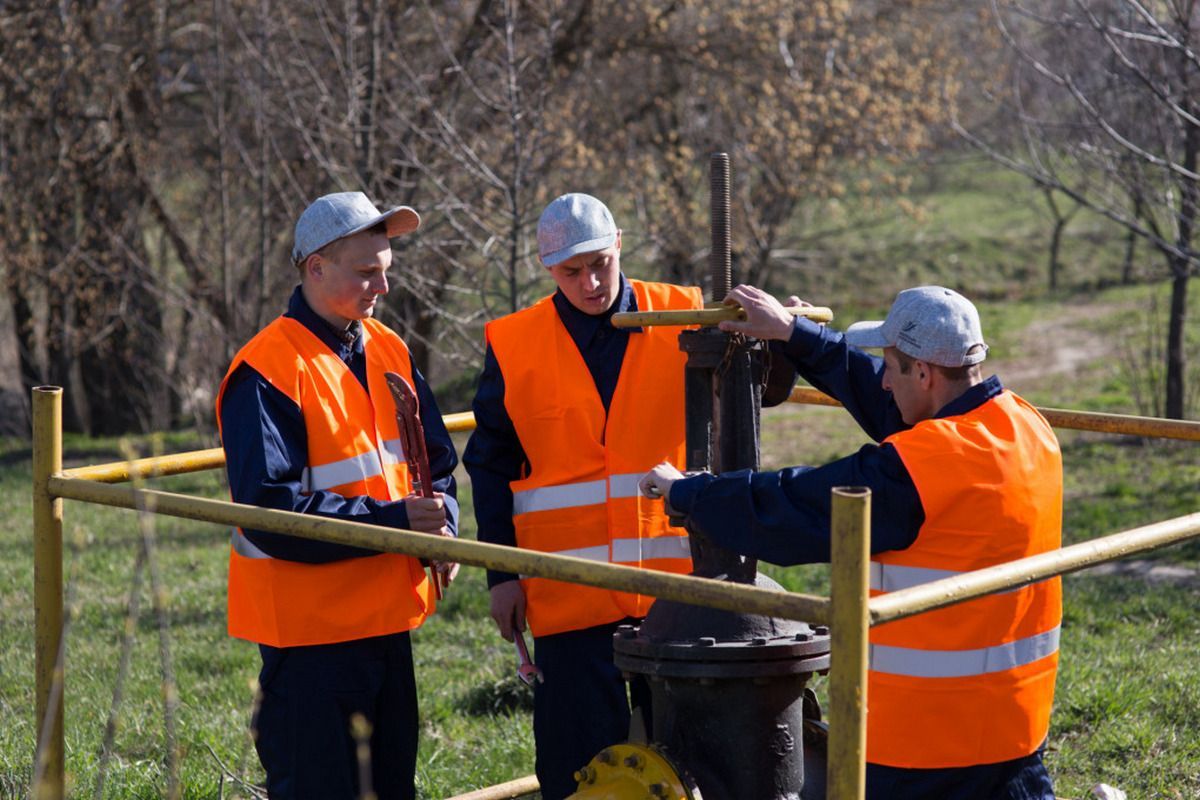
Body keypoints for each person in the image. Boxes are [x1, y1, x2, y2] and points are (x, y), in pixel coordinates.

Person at [641, 284, 1061, 800]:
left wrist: (692, 493)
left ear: (924, 373)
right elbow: (895, 409)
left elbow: (795, 505)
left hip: (926, 748)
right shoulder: (1024, 427)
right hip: (1013, 731)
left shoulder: (921, 470)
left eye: (891, 366)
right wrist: (796, 335)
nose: (882, 381)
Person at [216, 191, 459, 800]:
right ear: (315, 268)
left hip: (385, 625)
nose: (382, 287)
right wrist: (398, 521)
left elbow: (435, 463)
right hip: (310, 642)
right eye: (366, 272)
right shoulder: (268, 368)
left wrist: (444, 521)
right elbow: (267, 514)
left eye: (386, 271)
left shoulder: (388, 348)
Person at [462, 193, 705, 799]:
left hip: (674, 587)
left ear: (619, 242)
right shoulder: (515, 343)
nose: (590, 283)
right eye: (571, 272)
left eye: (600, 262)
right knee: (578, 770)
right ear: (547, 268)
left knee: (694, 762)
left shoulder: (684, 314)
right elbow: (489, 465)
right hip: (567, 594)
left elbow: (759, 391)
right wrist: (501, 576)